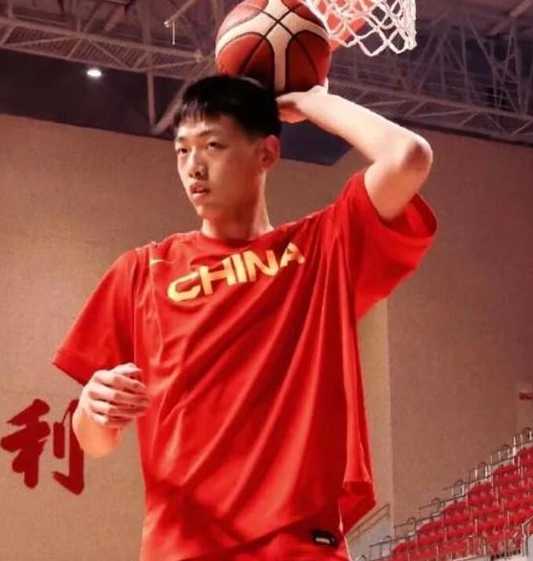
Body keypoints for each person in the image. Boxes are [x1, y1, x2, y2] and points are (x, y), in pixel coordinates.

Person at [52, 75, 437, 560]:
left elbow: (408, 156)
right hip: (182, 548)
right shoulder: (141, 272)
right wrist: (91, 407)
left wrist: (313, 102)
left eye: (212, 145)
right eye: (182, 150)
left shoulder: (321, 250)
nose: (194, 167)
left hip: (297, 547)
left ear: (267, 153)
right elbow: (96, 442)